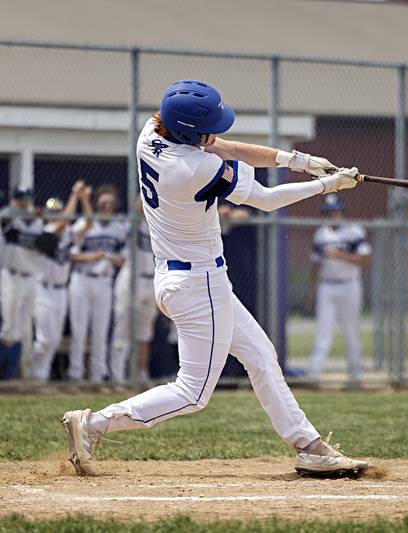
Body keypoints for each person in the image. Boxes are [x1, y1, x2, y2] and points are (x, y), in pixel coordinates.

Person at [62, 79, 368, 478]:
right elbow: (265, 199)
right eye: (210, 127)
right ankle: (94, 424)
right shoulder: (193, 169)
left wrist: (300, 161)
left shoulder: (151, 133)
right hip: (197, 286)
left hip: (191, 278)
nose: (217, 133)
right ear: (191, 132)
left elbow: (227, 146)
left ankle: (309, 446)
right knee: (192, 392)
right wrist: (327, 184)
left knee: (260, 355)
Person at [30, 181, 94, 381]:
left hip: (61, 291)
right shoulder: (45, 233)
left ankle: (42, 377)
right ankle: (34, 375)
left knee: (55, 339)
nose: (57, 213)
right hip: (43, 290)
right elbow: (64, 222)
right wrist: (74, 195)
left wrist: (84, 200)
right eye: (54, 211)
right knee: (44, 340)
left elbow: (90, 223)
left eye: (59, 210)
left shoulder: (68, 233)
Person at [305, 194, 372, 386]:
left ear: (342, 211)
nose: (333, 215)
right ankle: (313, 376)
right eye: (329, 212)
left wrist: (339, 255)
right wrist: (311, 293)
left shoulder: (354, 231)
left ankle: (356, 376)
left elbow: (366, 259)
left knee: (352, 332)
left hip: (349, 285)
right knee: (322, 333)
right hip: (327, 286)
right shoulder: (321, 234)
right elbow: (315, 266)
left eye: (336, 211)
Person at [67, 185, 127, 382]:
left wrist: (109, 257)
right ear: (97, 204)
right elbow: (71, 254)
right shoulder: (84, 223)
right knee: (79, 331)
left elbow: (123, 259)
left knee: (101, 332)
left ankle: (97, 376)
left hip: (104, 282)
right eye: (103, 203)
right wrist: (93, 256)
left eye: (110, 204)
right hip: (82, 280)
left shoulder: (120, 227)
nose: (106, 207)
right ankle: (75, 375)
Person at [109, 198, 158, 383]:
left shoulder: (160, 225)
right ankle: (118, 378)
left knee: (144, 333)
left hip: (150, 280)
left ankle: (141, 375)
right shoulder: (135, 222)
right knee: (122, 329)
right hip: (131, 276)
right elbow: (138, 209)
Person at [0, 187, 43, 379]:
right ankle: (6, 376)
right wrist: (18, 208)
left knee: (26, 328)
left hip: (31, 278)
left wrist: (39, 216)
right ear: (13, 199)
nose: (23, 202)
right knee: (9, 326)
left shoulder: (36, 224)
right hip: (11, 275)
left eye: (26, 198)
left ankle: (21, 375)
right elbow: (6, 215)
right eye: (19, 198)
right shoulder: (9, 219)